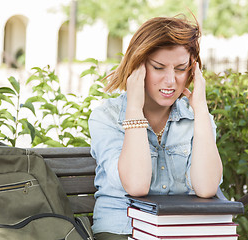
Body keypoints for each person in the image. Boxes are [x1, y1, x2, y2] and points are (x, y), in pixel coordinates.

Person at [88, 14, 223, 240]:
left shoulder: (198, 118)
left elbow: (207, 187)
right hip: (122, 229)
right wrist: (134, 108)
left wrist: (200, 107)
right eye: (159, 67)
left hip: (179, 231)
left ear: (192, 70)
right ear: (138, 66)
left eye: (180, 68)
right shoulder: (107, 117)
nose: (170, 81)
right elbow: (136, 185)